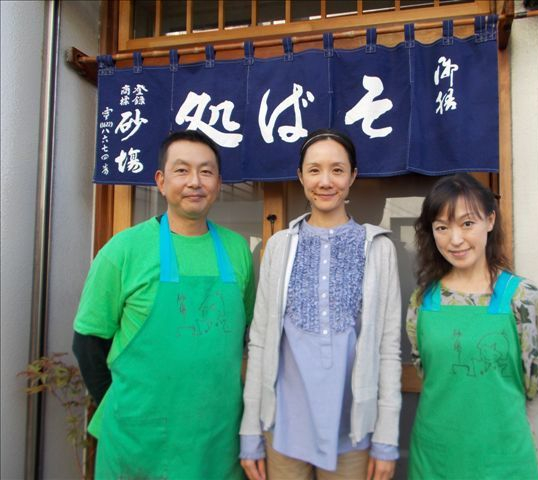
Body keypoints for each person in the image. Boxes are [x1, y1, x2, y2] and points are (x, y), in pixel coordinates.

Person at [72, 130, 255, 479]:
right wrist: (127, 409)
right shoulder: (123, 250)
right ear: (160, 180)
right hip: (139, 440)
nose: (195, 182)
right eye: (182, 170)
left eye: (206, 171)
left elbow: (244, 334)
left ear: (218, 183)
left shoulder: (237, 250)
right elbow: (88, 343)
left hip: (218, 440)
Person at [239, 129, 402, 480]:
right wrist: (250, 432)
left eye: (337, 170)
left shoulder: (378, 249)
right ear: (300, 176)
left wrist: (386, 438)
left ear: (353, 176)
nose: (325, 181)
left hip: (352, 431)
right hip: (282, 427)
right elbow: (261, 342)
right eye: (314, 170)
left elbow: (388, 349)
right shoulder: (279, 246)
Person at [406, 173, 538, 479]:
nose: (455, 239)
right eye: (442, 227)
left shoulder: (523, 299)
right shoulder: (423, 300)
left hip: (504, 461)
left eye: (467, 223)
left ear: (490, 220)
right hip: (433, 458)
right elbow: (427, 372)